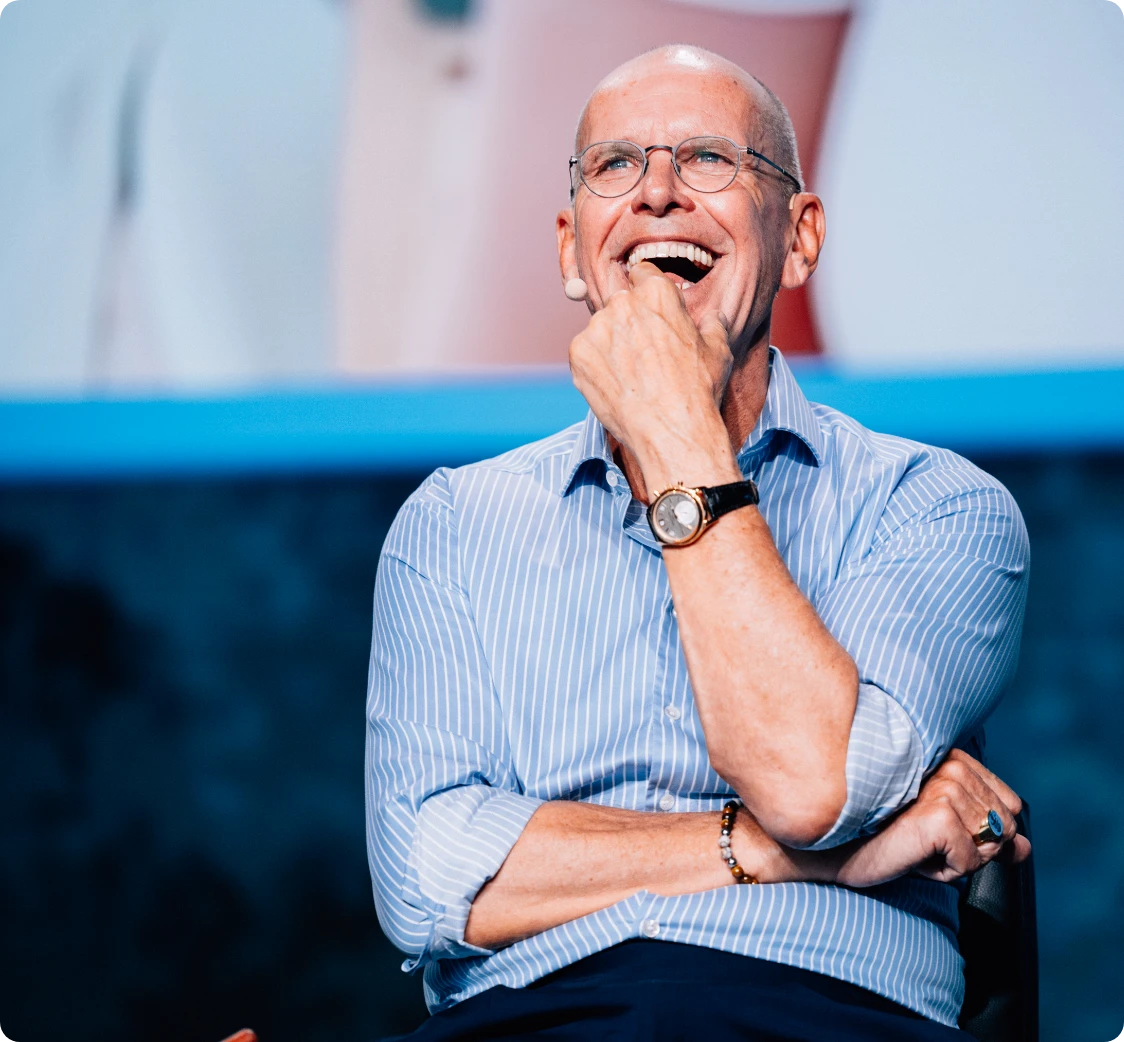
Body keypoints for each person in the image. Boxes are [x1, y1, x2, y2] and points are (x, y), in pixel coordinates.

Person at [365, 45, 1030, 1040]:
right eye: (614, 165)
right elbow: (426, 877)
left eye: (710, 158)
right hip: (526, 1023)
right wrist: (780, 853)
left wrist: (677, 432)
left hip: (825, 1019)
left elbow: (810, 785)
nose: (657, 194)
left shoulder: (936, 507)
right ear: (569, 249)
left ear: (798, 237)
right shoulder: (453, 524)